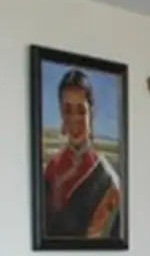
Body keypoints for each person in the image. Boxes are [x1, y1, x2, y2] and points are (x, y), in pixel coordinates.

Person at [43, 68, 122, 240]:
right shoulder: (51, 168)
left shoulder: (107, 180)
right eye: (68, 110)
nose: (74, 120)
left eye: (81, 111)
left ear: (91, 114)